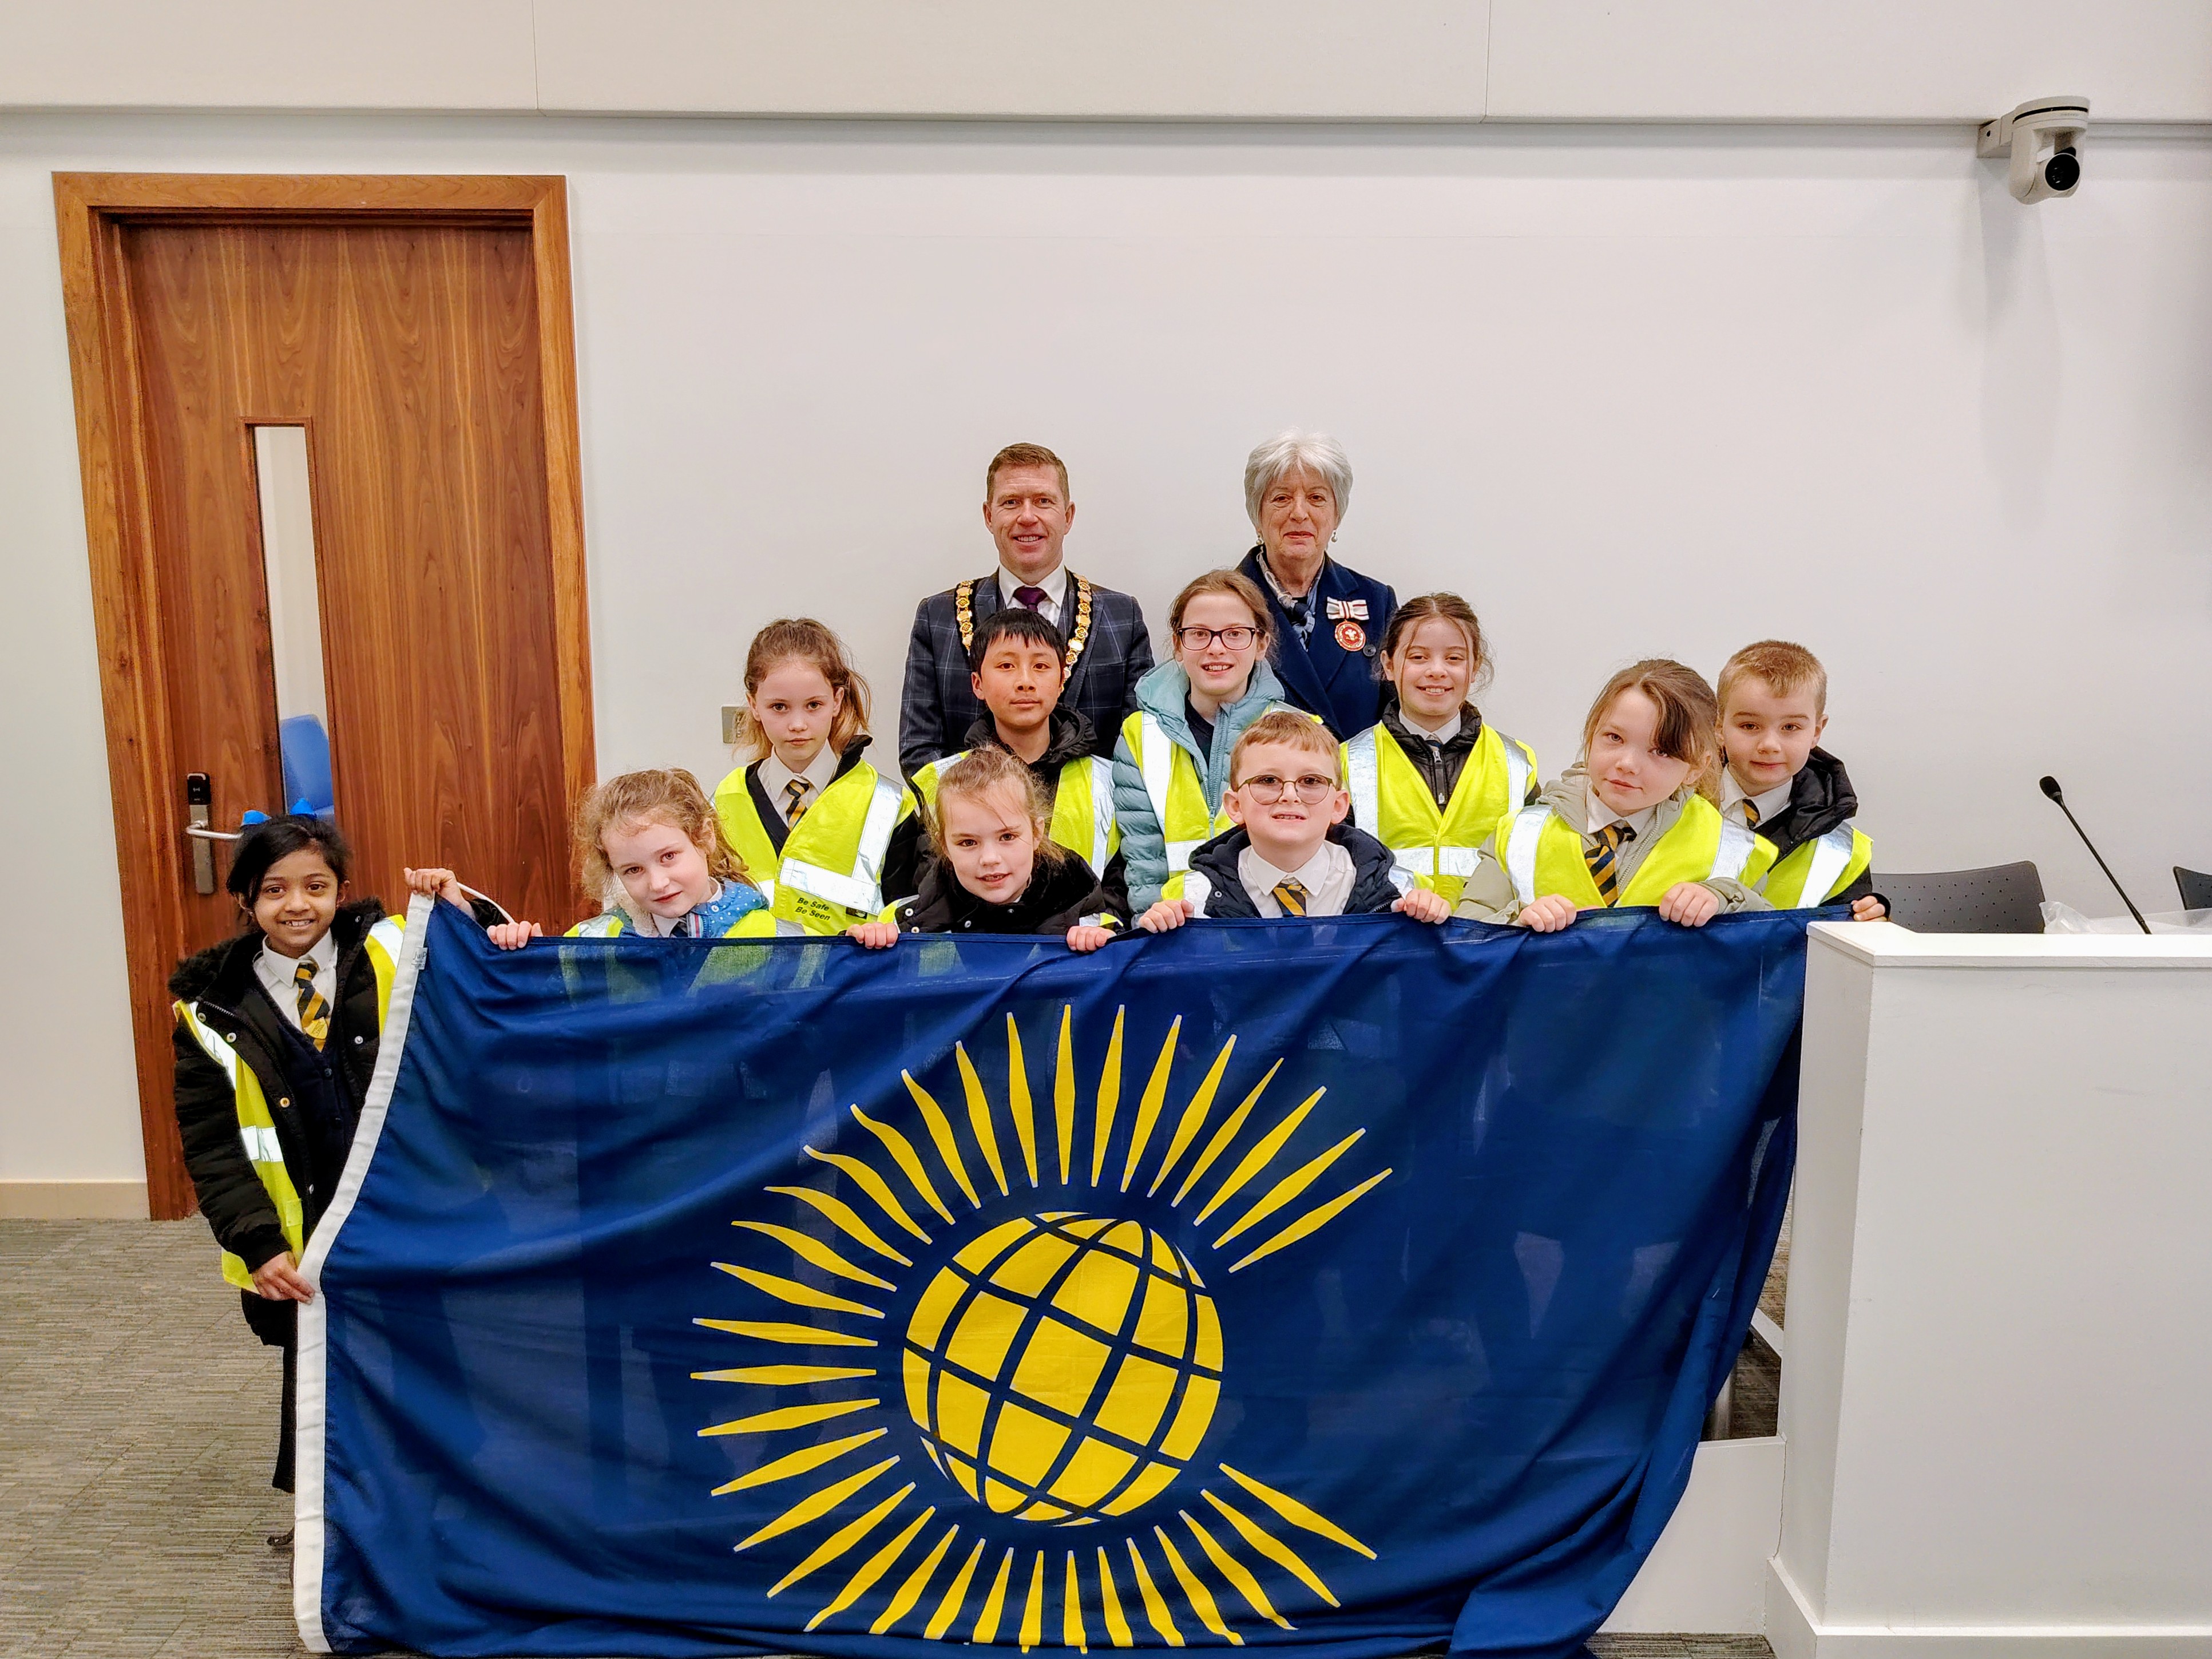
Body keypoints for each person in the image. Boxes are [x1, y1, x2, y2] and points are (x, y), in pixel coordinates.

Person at [169, 816, 487, 1526]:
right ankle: (329, 1524)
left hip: (409, 1209)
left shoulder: (393, 949)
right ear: (246, 902)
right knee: (322, 1375)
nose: (297, 905)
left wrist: (457, 906)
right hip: (302, 1235)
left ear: (342, 890)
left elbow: (485, 967)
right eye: (274, 890)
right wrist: (256, 1242)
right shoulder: (210, 1013)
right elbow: (214, 1146)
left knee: (430, 1356)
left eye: (316, 886)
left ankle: (449, 1502)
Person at [1453, 660, 1775, 931]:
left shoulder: (1732, 847)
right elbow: (1466, 934)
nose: (1627, 764)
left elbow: (1770, 948)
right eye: (1614, 737)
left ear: (1696, 767)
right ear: (1590, 734)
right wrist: (1517, 921)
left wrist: (1725, 900)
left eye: (1660, 751)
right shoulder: (1518, 834)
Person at [899, 442, 1153, 774]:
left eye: (1044, 502)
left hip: (1093, 820)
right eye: (1011, 503)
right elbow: (919, 751)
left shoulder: (1122, 616)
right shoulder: (938, 617)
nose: (1028, 517)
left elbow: (1139, 749)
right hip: (977, 821)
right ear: (989, 516)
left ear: (1068, 516)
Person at [885, 607, 1123, 909]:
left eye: (1040, 666)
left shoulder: (1108, 781)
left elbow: (1121, 892)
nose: (1025, 681)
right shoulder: (938, 781)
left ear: (1062, 680)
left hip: (1083, 950)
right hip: (977, 950)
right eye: (1007, 665)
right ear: (978, 684)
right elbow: (927, 897)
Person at [1137, 710, 1450, 927]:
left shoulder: (1398, 891)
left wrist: (1436, 923)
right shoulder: (1192, 899)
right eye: (1268, 781)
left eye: (1311, 782)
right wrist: (1157, 937)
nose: (1290, 795)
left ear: (1339, 806)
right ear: (1235, 806)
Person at [1111, 569, 1305, 910]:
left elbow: (1306, 854)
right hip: (1172, 933)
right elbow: (1145, 863)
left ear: (1262, 644)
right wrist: (1153, 933)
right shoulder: (1140, 734)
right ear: (1178, 645)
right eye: (1199, 634)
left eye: (1234, 634)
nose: (1216, 648)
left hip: (1266, 932)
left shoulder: (1300, 734)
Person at [713, 619, 911, 936]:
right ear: (753, 705)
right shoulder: (724, 800)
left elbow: (912, 908)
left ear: (837, 701)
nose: (797, 724)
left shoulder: (888, 803)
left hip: (850, 980)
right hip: (751, 982)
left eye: (813, 705)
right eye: (779, 707)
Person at [1341, 593, 1538, 906]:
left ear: (1475, 669)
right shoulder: (1346, 763)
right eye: (1418, 657)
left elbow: (1532, 868)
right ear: (1389, 665)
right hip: (1389, 942)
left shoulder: (1518, 763)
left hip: (1489, 942)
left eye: (1454, 658)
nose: (1437, 670)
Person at [849, 747, 1121, 949]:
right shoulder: (905, 925)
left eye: (1007, 837)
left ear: (1037, 832)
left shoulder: (1088, 920)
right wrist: (866, 950)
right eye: (968, 843)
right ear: (944, 845)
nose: (990, 859)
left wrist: (1106, 952)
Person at [471, 769, 781, 945]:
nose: (658, 883)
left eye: (669, 856)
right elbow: (547, 1011)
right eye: (633, 870)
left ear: (705, 837)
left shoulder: (779, 939)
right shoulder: (593, 942)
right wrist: (533, 957)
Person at [1235, 431, 1397, 737]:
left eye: (1316, 498)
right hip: (1259, 783)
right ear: (1257, 515)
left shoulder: (1376, 601)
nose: (1299, 513)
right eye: (1281, 498)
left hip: (1354, 782)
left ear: (1337, 515)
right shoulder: (1222, 603)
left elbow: (1398, 717)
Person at [1716, 640, 1886, 919]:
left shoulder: (1841, 850)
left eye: (1790, 727)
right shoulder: (1668, 805)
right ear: (1718, 725)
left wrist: (1870, 922)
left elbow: (1844, 946)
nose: (1769, 745)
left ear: (1817, 731)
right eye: (1749, 726)